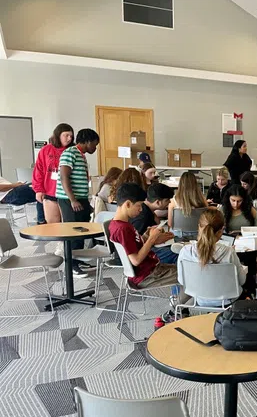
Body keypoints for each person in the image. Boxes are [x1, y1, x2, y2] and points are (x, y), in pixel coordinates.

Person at [109, 183, 187, 325]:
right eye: (138, 205)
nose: (140, 209)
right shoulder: (123, 228)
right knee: (192, 276)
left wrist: (146, 236)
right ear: (127, 204)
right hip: (147, 275)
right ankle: (173, 313)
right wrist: (151, 239)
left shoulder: (119, 224)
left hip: (149, 270)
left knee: (186, 270)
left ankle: (179, 310)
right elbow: (136, 260)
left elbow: (134, 245)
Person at [177, 209, 247, 307]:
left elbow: (182, 280)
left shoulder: (185, 251)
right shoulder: (229, 252)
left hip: (200, 299)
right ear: (221, 231)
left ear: (199, 227)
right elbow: (242, 281)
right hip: (228, 302)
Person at [55, 128, 99, 277]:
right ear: (87, 142)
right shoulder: (70, 153)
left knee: (81, 230)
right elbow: (64, 177)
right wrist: (73, 199)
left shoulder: (81, 155)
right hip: (69, 200)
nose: (95, 147)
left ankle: (78, 259)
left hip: (80, 198)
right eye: (94, 144)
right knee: (72, 231)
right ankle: (71, 265)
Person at [221, 184, 257, 296]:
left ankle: (248, 291)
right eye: (233, 200)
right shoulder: (222, 210)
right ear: (228, 198)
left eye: (239, 201)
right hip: (229, 245)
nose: (236, 204)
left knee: (249, 262)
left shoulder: (250, 210)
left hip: (248, 246)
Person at [33, 123, 74, 224]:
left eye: (71, 136)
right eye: (66, 135)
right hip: (50, 192)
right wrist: (38, 190)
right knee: (53, 224)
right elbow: (39, 170)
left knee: (69, 224)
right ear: (58, 135)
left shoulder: (73, 150)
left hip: (68, 194)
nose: (69, 138)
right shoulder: (46, 150)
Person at [130, 183, 177, 264]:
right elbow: (135, 243)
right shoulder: (143, 216)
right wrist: (155, 240)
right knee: (177, 253)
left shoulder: (148, 210)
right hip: (139, 256)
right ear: (158, 202)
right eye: (167, 200)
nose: (169, 202)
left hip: (146, 249)